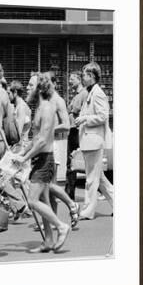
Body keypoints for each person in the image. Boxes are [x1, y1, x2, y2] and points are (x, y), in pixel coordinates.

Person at [14, 73, 71, 252]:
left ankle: (61, 227)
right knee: (43, 201)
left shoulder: (47, 108)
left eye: (31, 85)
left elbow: (42, 140)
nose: (28, 88)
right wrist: (21, 153)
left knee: (32, 201)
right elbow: (35, 138)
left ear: (39, 88)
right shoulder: (39, 107)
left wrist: (24, 158)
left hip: (45, 160)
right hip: (40, 159)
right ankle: (48, 240)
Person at [75, 62, 114, 220]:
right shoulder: (90, 92)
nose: (82, 78)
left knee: (91, 179)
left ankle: (88, 211)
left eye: (84, 75)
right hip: (89, 141)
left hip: (93, 141)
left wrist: (85, 119)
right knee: (100, 178)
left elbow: (103, 116)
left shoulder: (97, 93)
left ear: (91, 76)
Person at [46, 72, 80, 227]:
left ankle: (71, 204)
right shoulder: (47, 100)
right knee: (48, 185)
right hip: (48, 144)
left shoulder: (58, 100)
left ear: (53, 83)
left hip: (56, 145)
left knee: (48, 184)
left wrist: (49, 129)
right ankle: (53, 218)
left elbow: (66, 125)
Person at [65, 72, 88, 200]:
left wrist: (69, 110)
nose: (69, 81)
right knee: (71, 161)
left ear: (79, 80)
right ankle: (69, 191)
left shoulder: (82, 94)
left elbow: (73, 110)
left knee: (73, 161)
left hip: (76, 130)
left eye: (72, 79)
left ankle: (70, 192)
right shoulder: (77, 95)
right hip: (73, 129)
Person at [8, 80, 31, 144]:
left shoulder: (21, 107)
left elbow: (18, 132)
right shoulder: (18, 106)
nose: (8, 96)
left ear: (15, 92)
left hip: (21, 145)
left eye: (9, 93)